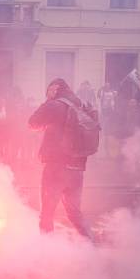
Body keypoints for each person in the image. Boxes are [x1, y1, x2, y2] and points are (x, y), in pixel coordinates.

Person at [28, 78, 97, 239]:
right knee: (74, 212)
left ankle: (47, 250)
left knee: (47, 212)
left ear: (55, 88)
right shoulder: (81, 105)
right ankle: (91, 243)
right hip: (78, 168)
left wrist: (48, 101)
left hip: (56, 167)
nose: (48, 94)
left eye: (49, 90)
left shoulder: (54, 104)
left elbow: (32, 122)